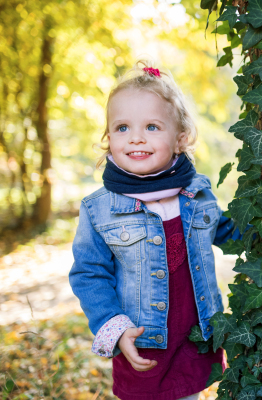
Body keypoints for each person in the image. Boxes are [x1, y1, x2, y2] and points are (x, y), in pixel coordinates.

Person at [69, 60, 243, 400]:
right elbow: (89, 274)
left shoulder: (196, 192)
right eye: (122, 128)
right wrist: (116, 329)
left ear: (180, 139)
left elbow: (227, 231)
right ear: (108, 138)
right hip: (142, 345)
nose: (135, 137)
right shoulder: (99, 208)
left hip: (195, 338)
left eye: (151, 126)